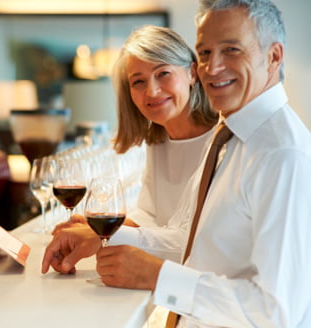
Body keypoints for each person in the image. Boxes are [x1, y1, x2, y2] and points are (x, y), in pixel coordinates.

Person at [43, 0, 311, 328]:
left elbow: (277, 312)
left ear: (273, 57)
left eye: (230, 50)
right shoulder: (230, 137)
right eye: (205, 52)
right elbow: (192, 238)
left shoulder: (282, 154)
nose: (212, 68)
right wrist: (105, 239)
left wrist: (157, 276)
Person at [50, 25, 218, 264]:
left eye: (163, 74)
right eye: (138, 82)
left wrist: (103, 236)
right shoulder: (158, 140)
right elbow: (150, 215)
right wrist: (93, 228)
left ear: (192, 73)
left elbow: (192, 239)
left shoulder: (221, 142)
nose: (152, 91)